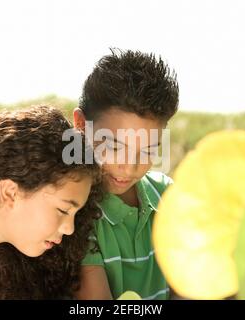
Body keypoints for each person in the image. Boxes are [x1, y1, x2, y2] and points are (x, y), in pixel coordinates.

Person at [73, 49, 179, 299]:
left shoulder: (167, 194)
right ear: (80, 124)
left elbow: (185, 287)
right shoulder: (74, 213)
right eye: (114, 146)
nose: (130, 168)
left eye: (148, 150)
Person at [0, 105, 102, 299]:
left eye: (75, 214)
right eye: (63, 210)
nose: (69, 229)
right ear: (10, 193)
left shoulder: (2, 266)